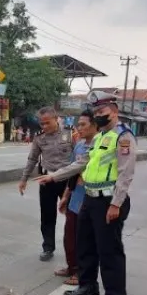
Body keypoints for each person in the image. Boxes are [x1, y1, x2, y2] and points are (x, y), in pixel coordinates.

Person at [42, 91, 137, 295]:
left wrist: (116, 204)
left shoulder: (123, 137)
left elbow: (126, 173)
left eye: (102, 112)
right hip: (90, 198)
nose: (99, 116)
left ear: (114, 111)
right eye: (96, 112)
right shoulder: (100, 137)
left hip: (108, 201)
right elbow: (81, 163)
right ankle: (88, 286)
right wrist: (54, 176)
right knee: (85, 245)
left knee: (109, 251)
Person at [44, 110, 98, 285]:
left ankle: (82, 273)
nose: (79, 128)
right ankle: (72, 267)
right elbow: (73, 173)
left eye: (83, 124)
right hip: (76, 196)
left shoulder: (100, 146)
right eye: (78, 124)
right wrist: (66, 196)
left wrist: (53, 176)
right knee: (70, 236)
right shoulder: (80, 146)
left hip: (91, 198)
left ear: (95, 125)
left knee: (84, 238)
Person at [18, 106, 75, 262]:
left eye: (47, 123)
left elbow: (80, 157)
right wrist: (24, 179)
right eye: (41, 123)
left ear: (56, 119)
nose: (44, 127)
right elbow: (32, 159)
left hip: (67, 181)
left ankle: (73, 249)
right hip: (47, 179)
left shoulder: (70, 133)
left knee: (72, 216)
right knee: (47, 215)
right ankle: (48, 247)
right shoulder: (39, 137)